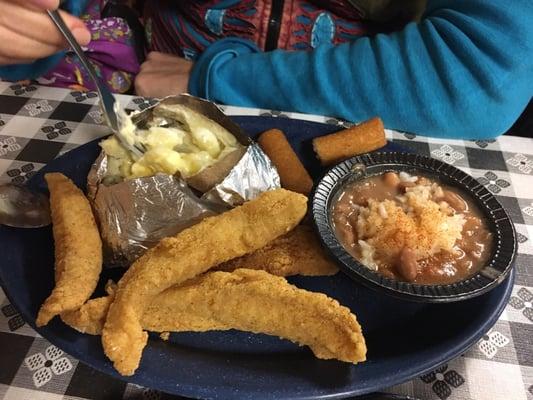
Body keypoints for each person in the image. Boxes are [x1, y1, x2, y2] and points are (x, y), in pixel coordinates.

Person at [1, 0, 532, 139]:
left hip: (372, 112)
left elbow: (474, 76)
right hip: (138, 75)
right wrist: (32, 29)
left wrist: (212, 78)